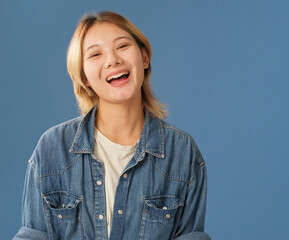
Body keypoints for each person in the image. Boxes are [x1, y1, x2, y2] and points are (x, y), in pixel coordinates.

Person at [14, 11, 210, 240]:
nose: (112, 60)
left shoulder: (182, 152)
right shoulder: (51, 148)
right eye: (95, 54)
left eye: (122, 46)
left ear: (144, 57)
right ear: (85, 78)